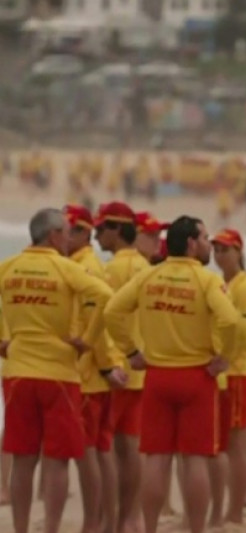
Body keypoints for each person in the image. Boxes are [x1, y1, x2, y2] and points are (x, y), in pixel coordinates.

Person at [104, 215, 240, 533]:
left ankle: (150, 527)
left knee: (156, 457)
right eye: (205, 238)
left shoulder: (150, 276)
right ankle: (195, 528)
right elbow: (231, 320)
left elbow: (112, 311)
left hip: (158, 375)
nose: (209, 244)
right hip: (196, 376)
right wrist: (225, 357)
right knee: (194, 459)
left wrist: (131, 352)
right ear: (191, 244)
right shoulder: (206, 280)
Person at [0, 208, 114, 533]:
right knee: (57, 459)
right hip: (59, 373)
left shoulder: (8, 267)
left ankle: (20, 529)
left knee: (22, 459)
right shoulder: (65, 269)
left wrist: (2, 338)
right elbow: (107, 297)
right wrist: (87, 341)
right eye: (66, 232)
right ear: (52, 235)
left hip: (18, 371)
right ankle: (51, 528)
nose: (69, 239)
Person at [65, 204, 127, 533]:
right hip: (93, 372)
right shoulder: (79, 265)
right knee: (100, 451)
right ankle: (107, 522)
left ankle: (95, 522)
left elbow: (98, 323)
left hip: (89, 377)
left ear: (83, 231)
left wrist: (105, 367)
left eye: (69, 229)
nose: (63, 236)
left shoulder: (85, 268)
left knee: (90, 451)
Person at [95, 201, 151, 533]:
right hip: (140, 366)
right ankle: (129, 517)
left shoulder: (110, 270)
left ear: (118, 229)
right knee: (131, 448)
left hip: (115, 367)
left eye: (102, 228)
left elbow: (103, 318)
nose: (97, 235)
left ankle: (108, 520)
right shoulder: (146, 267)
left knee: (106, 450)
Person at [210, 229, 246, 524]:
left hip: (238, 371)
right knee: (221, 444)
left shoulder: (244, 287)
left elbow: (245, 330)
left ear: (239, 252)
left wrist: (226, 356)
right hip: (224, 370)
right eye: (216, 249)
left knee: (236, 444)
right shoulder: (222, 284)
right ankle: (223, 508)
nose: (219, 255)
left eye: (225, 250)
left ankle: (235, 510)